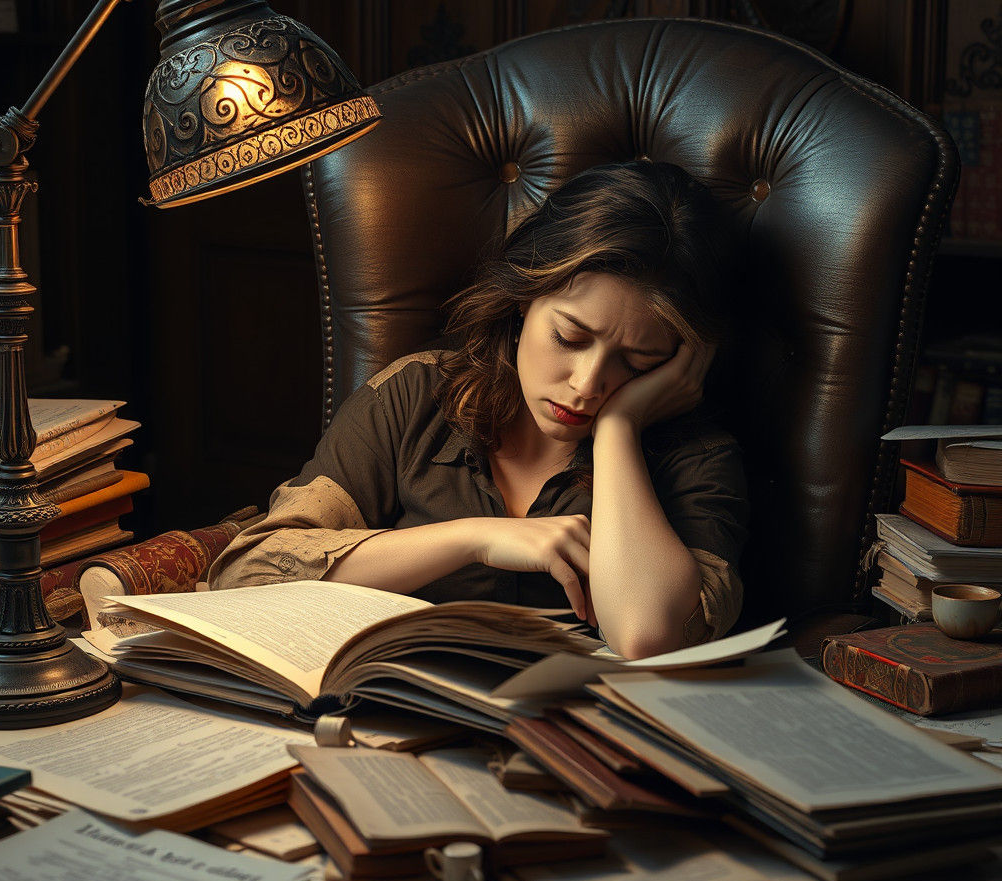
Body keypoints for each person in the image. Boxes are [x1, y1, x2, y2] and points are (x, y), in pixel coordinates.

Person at [208, 161, 748, 658]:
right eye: (569, 337)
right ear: (525, 297)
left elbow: (647, 637)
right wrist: (475, 539)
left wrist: (619, 427)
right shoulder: (417, 396)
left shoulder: (695, 457)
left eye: (635, 362)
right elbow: (249, 572)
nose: (586, 385)